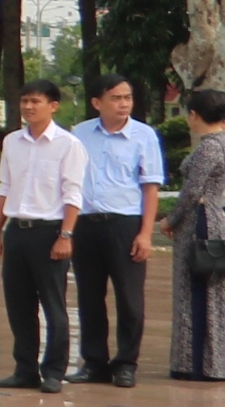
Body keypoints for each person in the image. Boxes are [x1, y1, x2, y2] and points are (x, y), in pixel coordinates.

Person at [68, 76, 163, 386]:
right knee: (89, 297)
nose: (124, 104)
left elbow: (150, 187)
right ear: (97, 102)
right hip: (86, 224)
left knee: (129, 298)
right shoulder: (79, 134)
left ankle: (125, 363)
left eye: (128, 97)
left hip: (125, 225)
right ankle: (94, 363)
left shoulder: (143, 135)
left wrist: (145, 233)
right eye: (116, 98)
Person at [0, 79, 78, 396]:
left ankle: (53, 371)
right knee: (18, 304)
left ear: (53, 105)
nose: (28, 107)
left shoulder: (68, 144)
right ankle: (24, 369)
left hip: (50, 232)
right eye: (25, 101)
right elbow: (4, 187)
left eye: (35, 101)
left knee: (53, 305)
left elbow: (73, 194)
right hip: (17, 231)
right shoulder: (12, 141)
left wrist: (65, 235)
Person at [169, 88, 225, 382]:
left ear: (193, 115)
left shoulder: (209, 148)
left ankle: (197, 363)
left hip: (201, 222)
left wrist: (172, 219)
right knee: (211, 291)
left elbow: (192, 191)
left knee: (196, 290)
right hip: (216, 216)